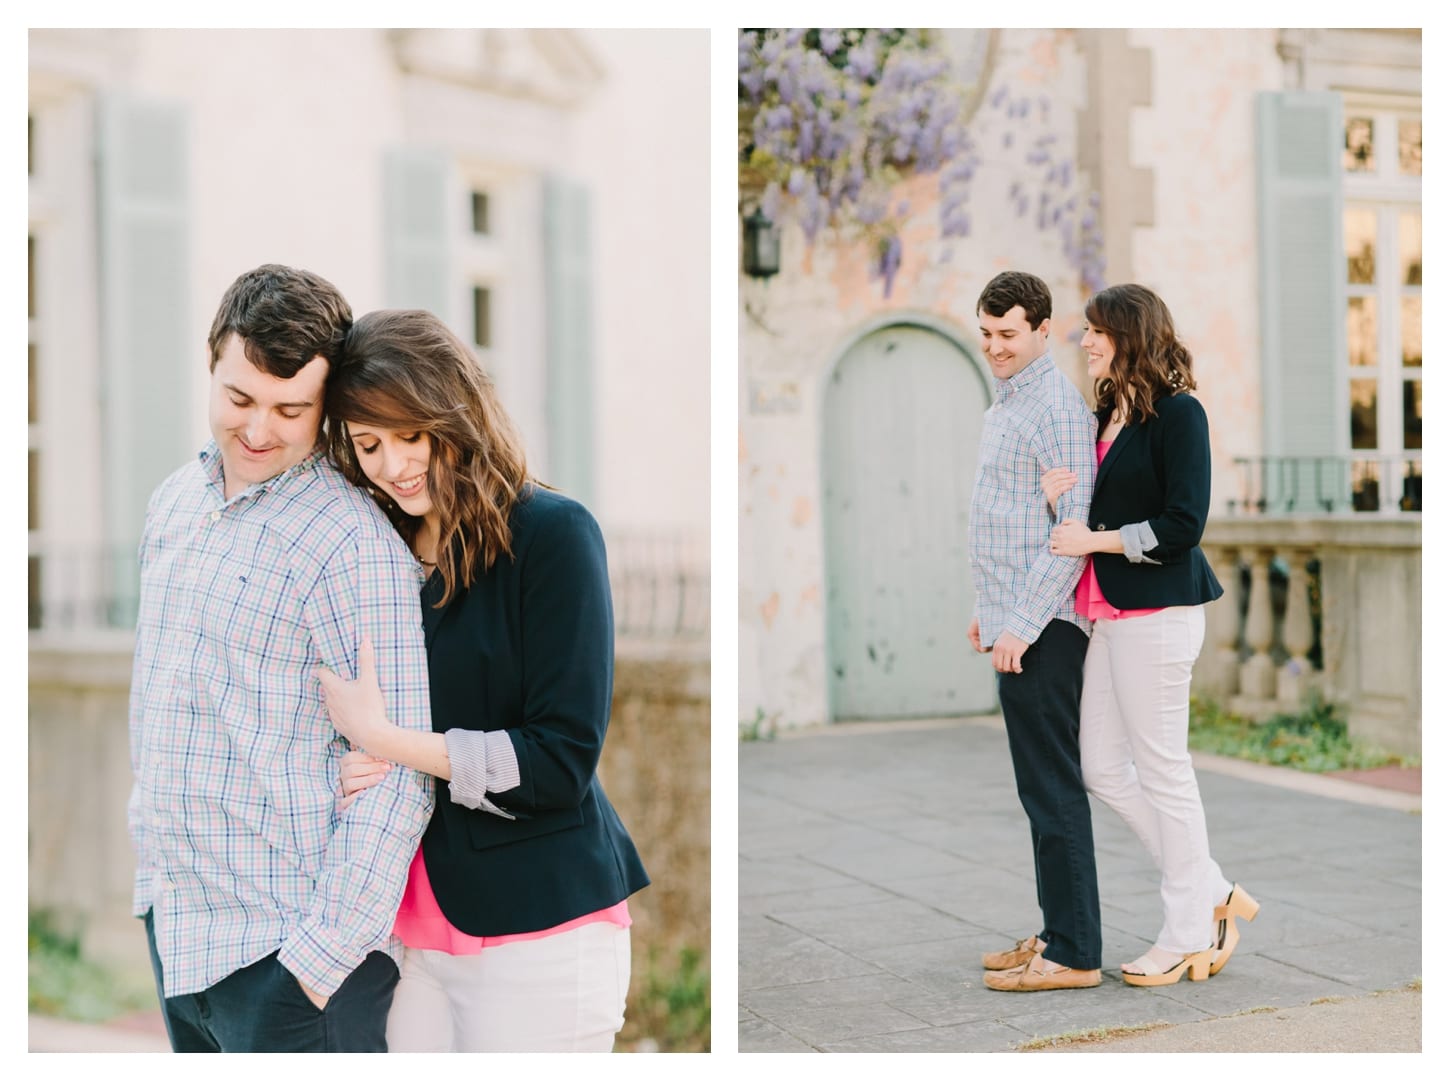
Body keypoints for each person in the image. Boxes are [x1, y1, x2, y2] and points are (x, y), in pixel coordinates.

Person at [314, 308, 650, 1052]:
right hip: (405, 927)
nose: (393, 463)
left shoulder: (552, 535)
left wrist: (389, 740)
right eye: (368, 444)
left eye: (411, 435)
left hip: (540, 928)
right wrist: (352, 758)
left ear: (454, 414)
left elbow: (560, 759)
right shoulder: (378, 554)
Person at [128, 265, 436, 1052]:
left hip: (289, 960)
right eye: (240, 399)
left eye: (291, 408)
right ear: (212, 365)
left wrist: (312, 965)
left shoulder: (351, 543)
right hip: (181, 935)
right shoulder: (173, 504)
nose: (259, 428)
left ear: (324, 405)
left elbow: (398, 776)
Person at [1043, 282, 1258, 987]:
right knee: (1101, 765)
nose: (1084, 341)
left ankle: (1187, 930)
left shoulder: (1179, 415)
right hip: (1110, 613)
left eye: (1095, 330)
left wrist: (1095, 538)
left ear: (1129, 332)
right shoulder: (1108, 413)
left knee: (1165, 768)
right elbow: (1091, 512)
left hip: (1160, 616)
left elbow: (1183, 524)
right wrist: (1062, 502)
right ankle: (1212, 886)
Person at [966, 270, 1104, 992]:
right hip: (1016, 621)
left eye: (1008, 334)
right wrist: (989, 612)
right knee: (1036, 789)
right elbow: (1011, 519)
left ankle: (1076, 951)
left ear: (1044, 330)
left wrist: (1017, 624)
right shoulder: (1011, 398)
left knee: (1052, 788)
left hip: (1046, 629)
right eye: (987, 334)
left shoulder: (1054, 405)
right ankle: (1057, 929)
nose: (995, 346)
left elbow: (1069, 534)